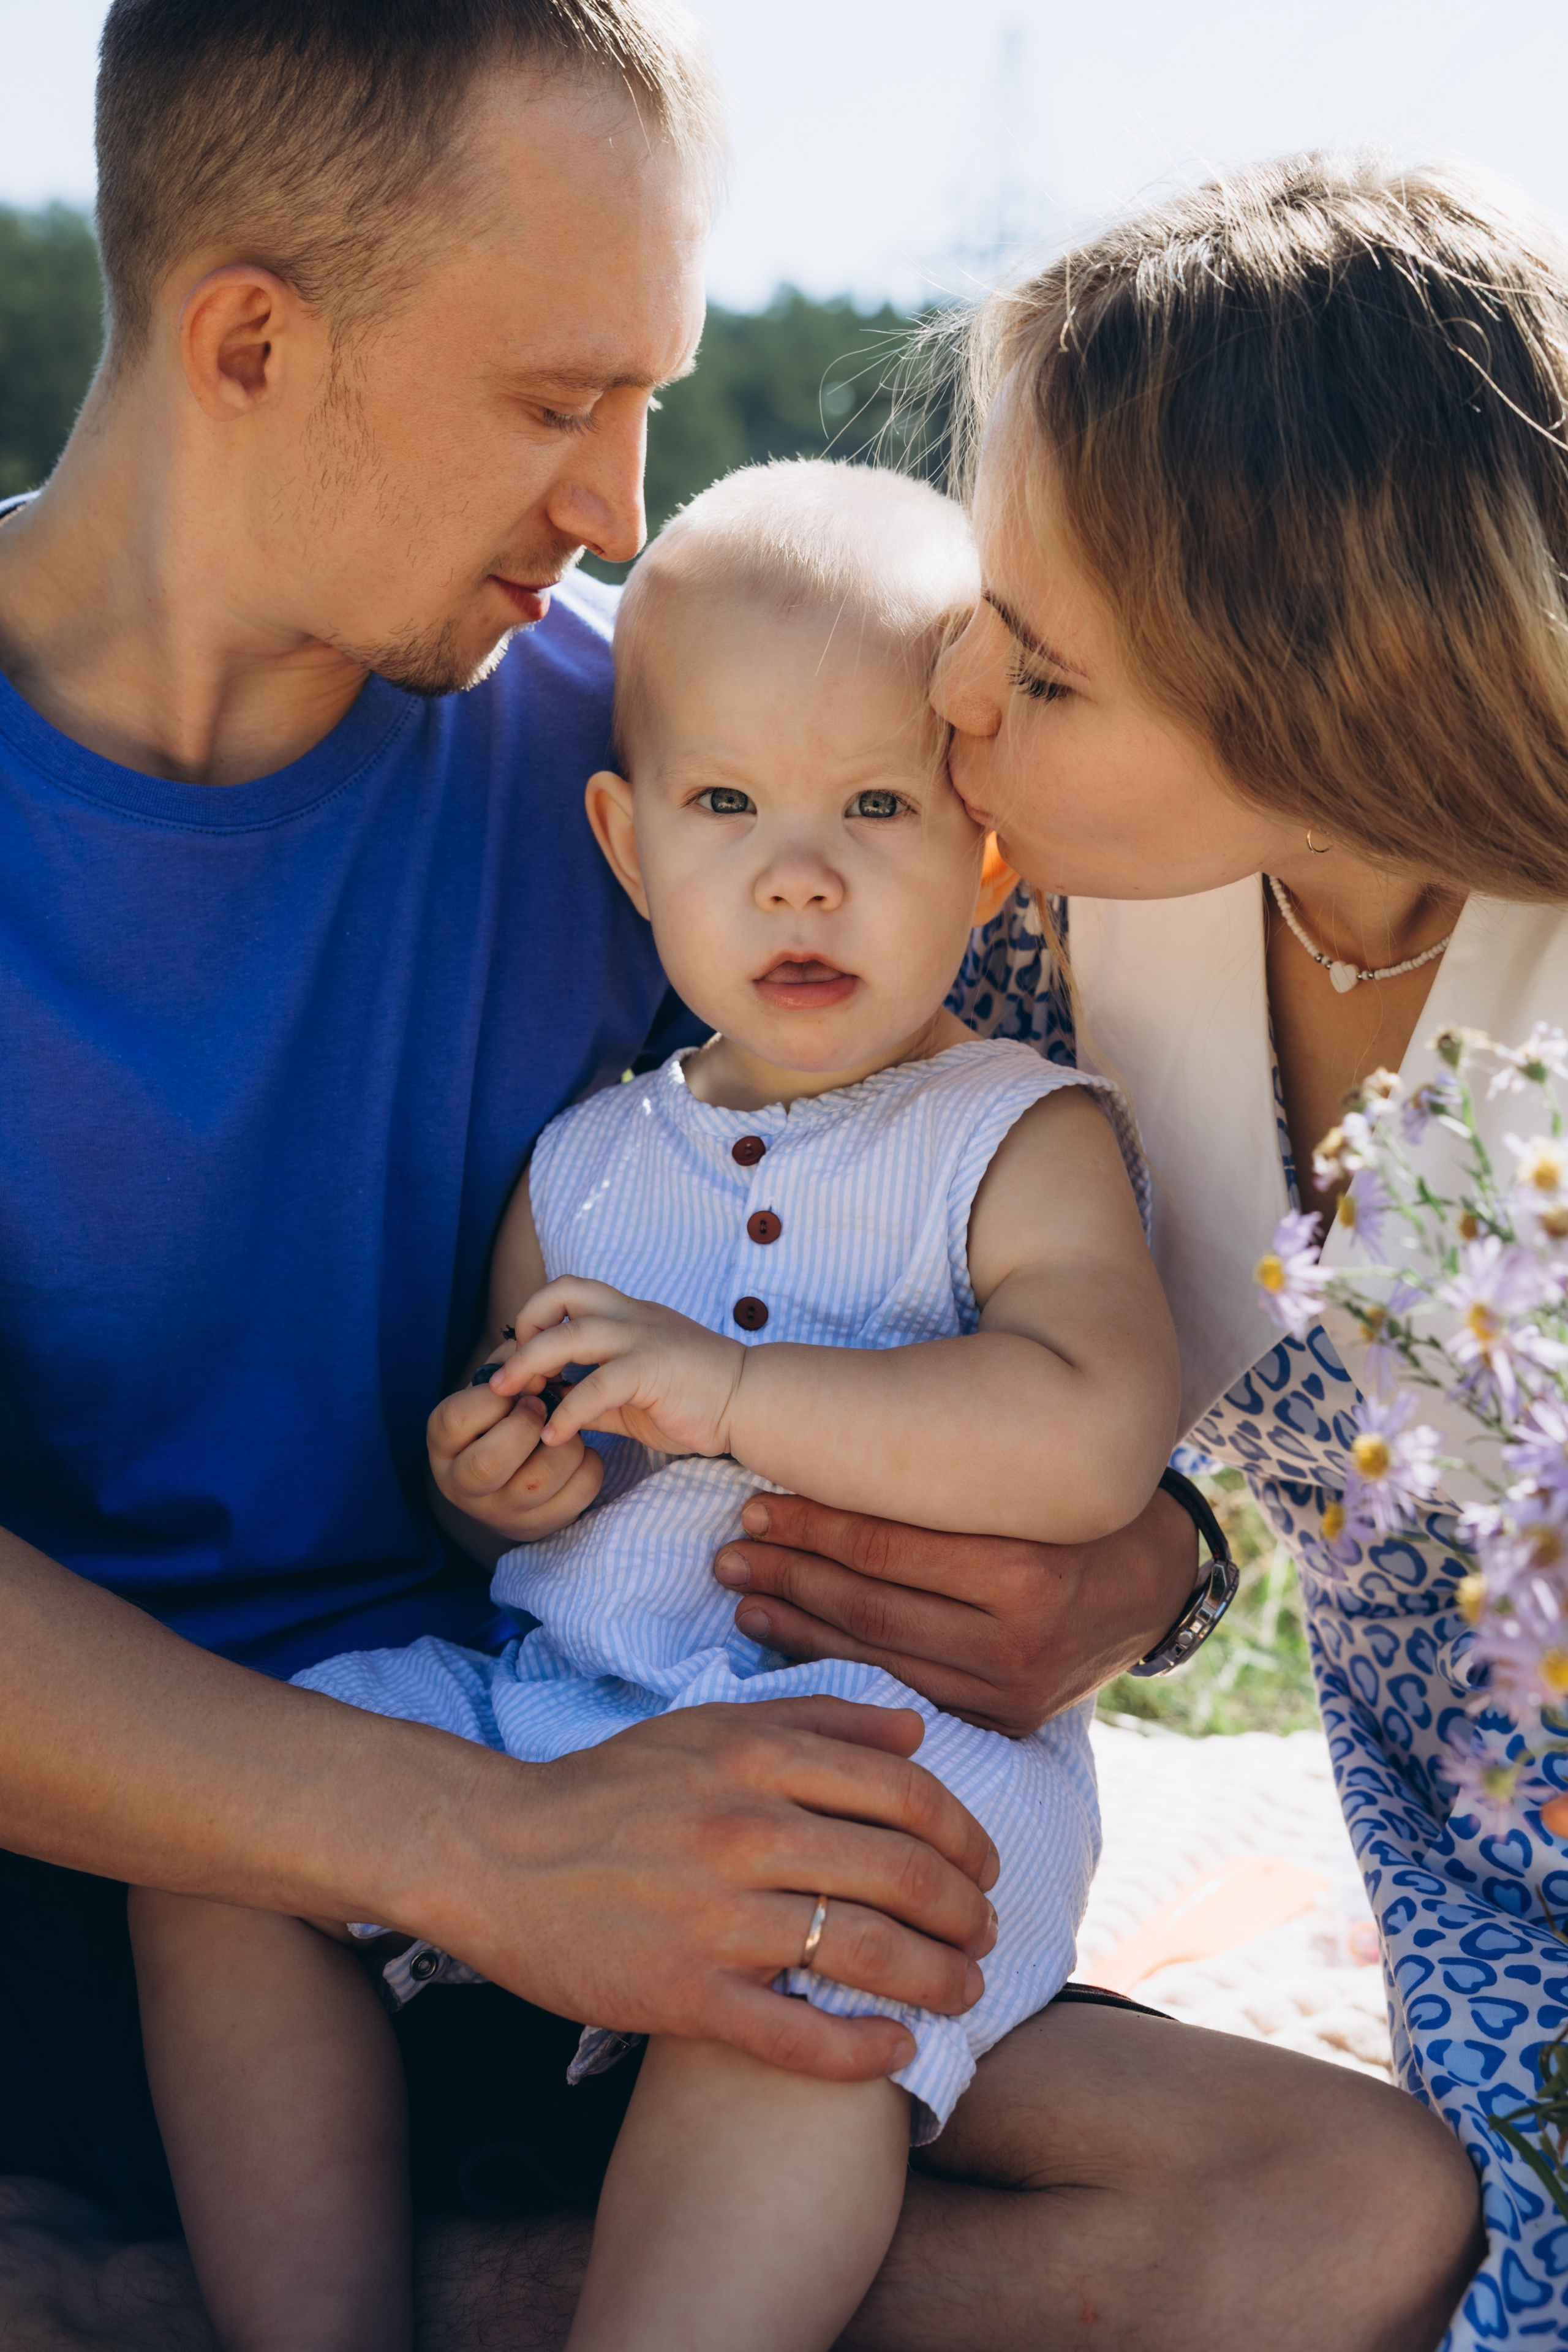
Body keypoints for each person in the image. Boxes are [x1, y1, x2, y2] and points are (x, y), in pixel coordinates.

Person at [0, 0, 1477, 2337]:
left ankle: (177, 2302)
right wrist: (485, 1850)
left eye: (651, 401)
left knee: (1332, 2217)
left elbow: (1045, 1220)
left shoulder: (692, 761)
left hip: (680, 1833)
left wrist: (1146, 1564)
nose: (620, 509)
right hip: (169, 1875)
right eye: (555, 400)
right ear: (252, 343)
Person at [129, 459, 1180, 2352]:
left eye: (877, 807)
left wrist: (733, 1393)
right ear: (626, 848)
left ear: (988, 856)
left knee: (811, 1979)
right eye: (727, 805)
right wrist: (500, 1480)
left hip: (882, 1762)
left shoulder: (1014, 1135)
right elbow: (503, 1476)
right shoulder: (591, 1158)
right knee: (225, 1849)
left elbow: (1093, 1429)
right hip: (563, 1720)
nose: (800, 873)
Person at [924, 150, 1568, 2345]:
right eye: (978, 612)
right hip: (1470, 1877)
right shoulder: (1040, 942)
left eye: (1042, 673)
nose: (953, 694)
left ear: (1342, 711)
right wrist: (1169, 1549)